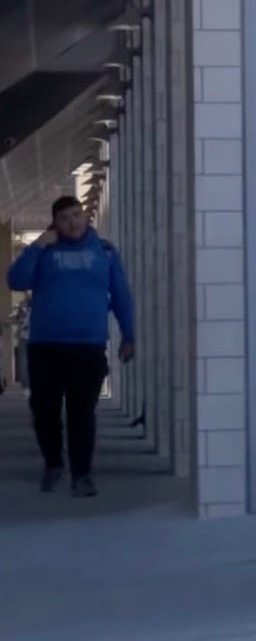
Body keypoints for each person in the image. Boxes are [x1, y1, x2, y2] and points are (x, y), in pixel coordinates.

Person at [7, 196, 135, 496]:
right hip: (45, 347)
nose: (72, 222)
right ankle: (53, 464)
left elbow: (121, 296)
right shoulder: (45, 252)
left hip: (87, 347)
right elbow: (16, 280)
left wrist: (129, 335)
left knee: (81, 413)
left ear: (86, 217)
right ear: (55, 223)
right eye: (64, 218)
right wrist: (37, 245)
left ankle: (82, 474)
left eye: (77, 215)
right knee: (44, 411)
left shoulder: (104, 252)